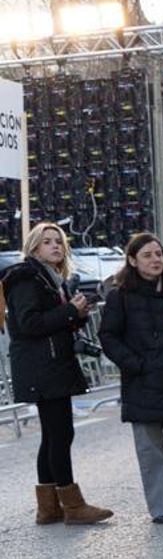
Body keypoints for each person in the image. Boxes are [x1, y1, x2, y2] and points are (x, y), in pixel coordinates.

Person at [0, 222, 113, 524]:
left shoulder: (52, 279)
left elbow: (50, 324)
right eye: (47, 241)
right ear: (34, 248)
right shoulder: (27, 278)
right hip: (41, 367)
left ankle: (49, 508)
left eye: (59, 242)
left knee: (53, 435)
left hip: (51, 364)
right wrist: (69, 312)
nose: (55, 246)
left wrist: (76, 317)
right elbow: (29, 324)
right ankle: (72, 505)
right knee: (60, 434)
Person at [98, 233, 163, 524]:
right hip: (142, 382)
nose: (156, 259)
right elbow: (108, 336)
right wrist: (134, 364)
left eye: (159, 254)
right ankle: (161, 506)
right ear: (132, 260)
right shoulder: (119, 296)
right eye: (147, 255)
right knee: (150, 448)